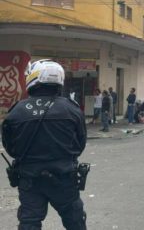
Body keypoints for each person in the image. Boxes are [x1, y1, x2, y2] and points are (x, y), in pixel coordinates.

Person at [1, 59, 87, 229]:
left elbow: (10, 147)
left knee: (29, 223)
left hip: (29, 179)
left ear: (33, 78)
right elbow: (80, 144)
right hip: (64, 178)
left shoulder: (16, 111)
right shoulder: (72, 109)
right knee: (75, 221)